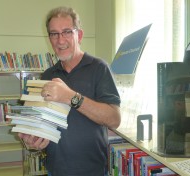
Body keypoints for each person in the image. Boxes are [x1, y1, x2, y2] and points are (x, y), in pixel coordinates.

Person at [18, 6, 121, 176]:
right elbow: (40, 126)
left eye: (66, 32)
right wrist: (33, 140)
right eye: (54, 34)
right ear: (49, 38)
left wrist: (70, 97)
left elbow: (114, 119)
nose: (60, 40)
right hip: (55, 169)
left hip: (91, 170)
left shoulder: (99, 68)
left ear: (78, 35)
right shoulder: (48, 75)